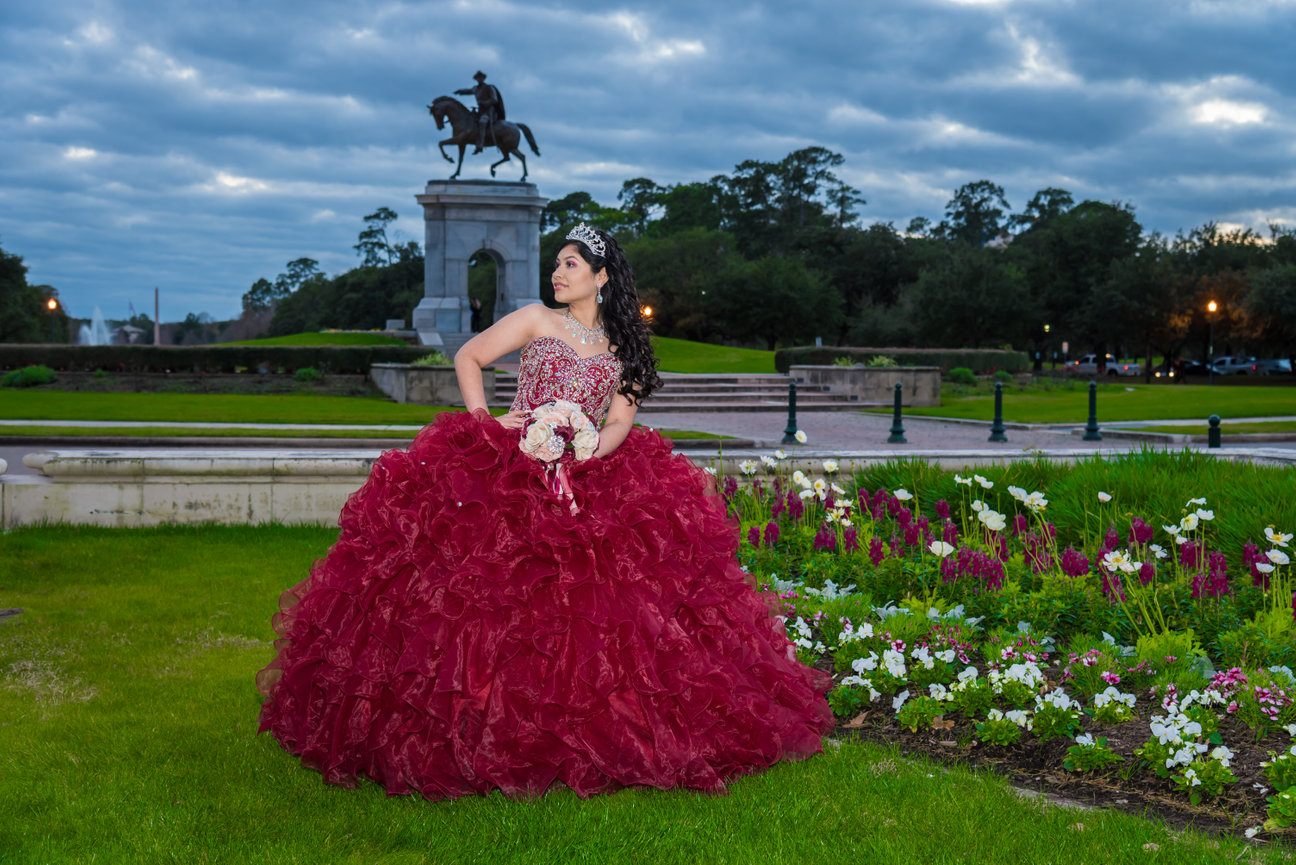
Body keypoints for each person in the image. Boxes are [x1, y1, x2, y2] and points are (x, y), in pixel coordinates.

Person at [256, 224, 833, 800]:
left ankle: (591, 735)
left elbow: (619, 424)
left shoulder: (625, 347)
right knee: (476, 596)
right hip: (504, 470)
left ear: (602, 278)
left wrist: (582, 451)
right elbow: (469, 356)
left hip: (589, 474)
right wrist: (488, 421)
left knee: (603, 609)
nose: (557, 273)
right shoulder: (536, 318)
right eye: (556, 263)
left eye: (571, 265)